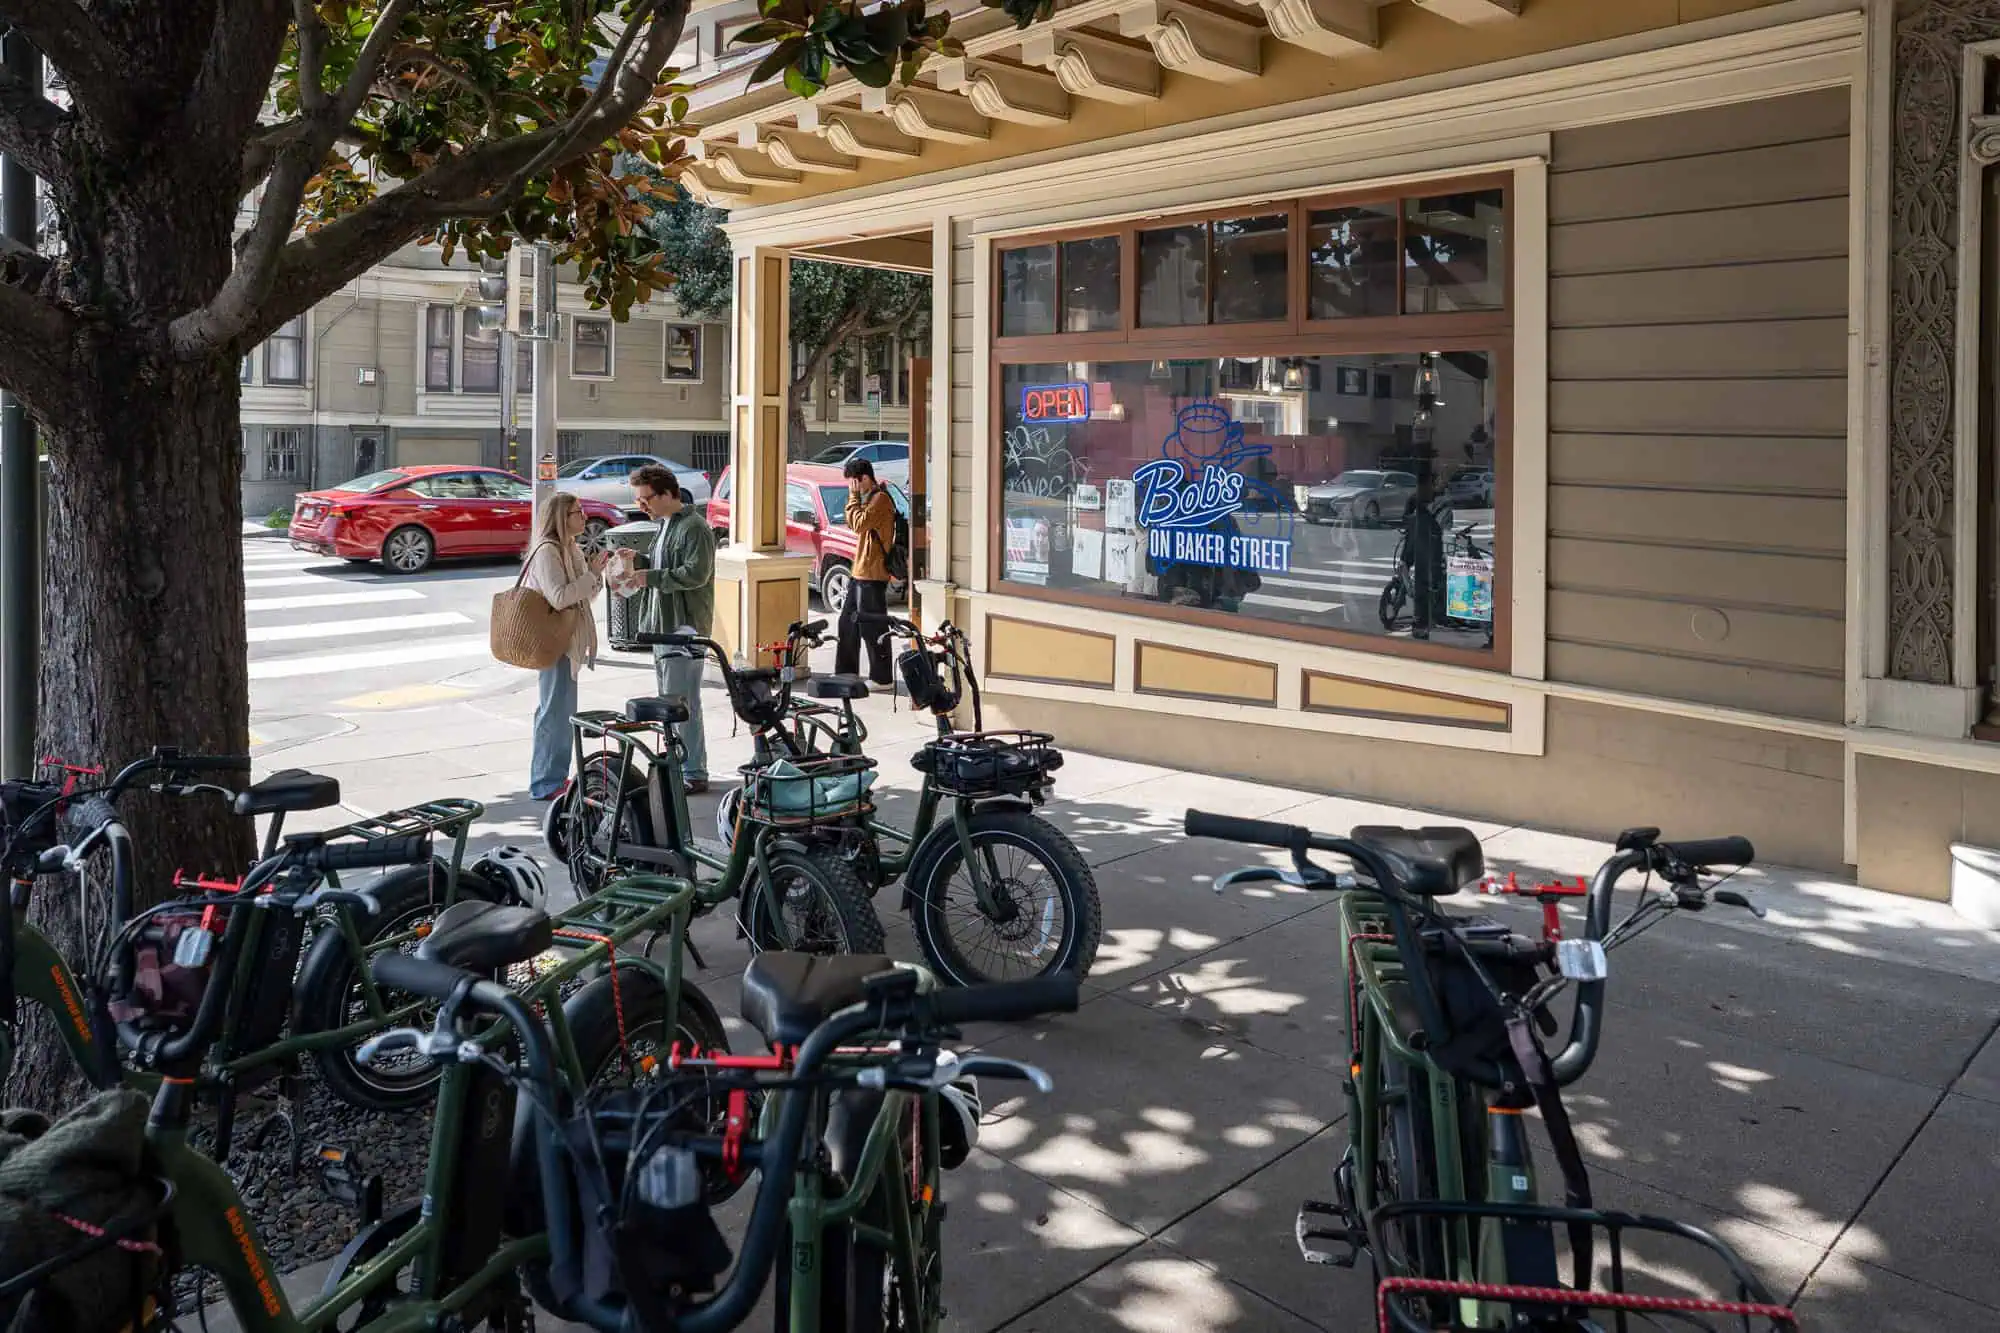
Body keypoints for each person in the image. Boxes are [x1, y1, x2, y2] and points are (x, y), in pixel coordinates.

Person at [626, 464, 716, 793]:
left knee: (682, 702)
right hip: (665, 626)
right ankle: (684, 767)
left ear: (667, 493)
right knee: (672, 701)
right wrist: (639, 561)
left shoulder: (695, 527)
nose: (641, 505)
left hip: (684, 628)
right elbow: (667, 567)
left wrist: (649, 576)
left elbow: (696, 574)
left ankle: (694, 772)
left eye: (645, 499)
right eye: (638, 500)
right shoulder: (665, 525)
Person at [522, 492, 606, 800]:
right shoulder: (548, 552)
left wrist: (595, 573)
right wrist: (591, 576)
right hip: (553, 640)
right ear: (561, 518)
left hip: (569, 639)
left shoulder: (571, 549)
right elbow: (559, 597)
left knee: (561, 710)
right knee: (554, 711)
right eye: (576, 513)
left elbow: (583, 596)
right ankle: (546, 781)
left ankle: (555, 777)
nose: (583, 517)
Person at [838, 457, 896, 687]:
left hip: (872, 574)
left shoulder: (880, 499)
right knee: (847, 623)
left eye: (853, 483)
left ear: (863, 478)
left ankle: (883, 678)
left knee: (873, 627)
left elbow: (858, 524)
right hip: (860, 572)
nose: (852, 488)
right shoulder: (869, 498)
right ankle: (846, 671)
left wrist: (853, 498)